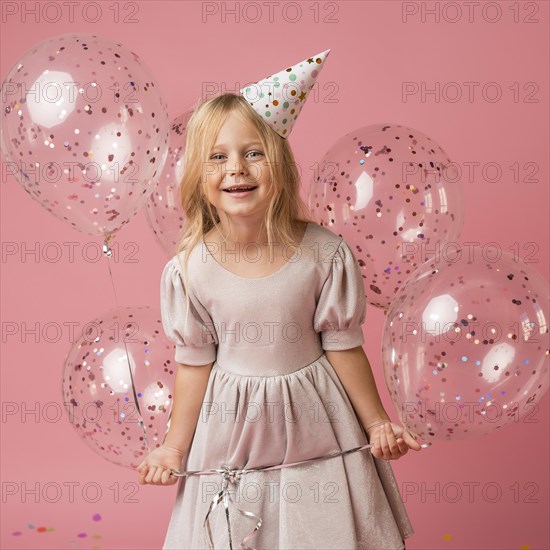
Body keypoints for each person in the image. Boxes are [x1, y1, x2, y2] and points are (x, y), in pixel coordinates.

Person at [137, 51, 423, 550]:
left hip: (317, 422)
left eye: (253, 153)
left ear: (281, 165)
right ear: (198, 178)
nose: (236, 169)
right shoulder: (189, 270)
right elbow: (194, 363)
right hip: (231, 428)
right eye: (218, 157)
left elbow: (342, 344)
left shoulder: (324, 254)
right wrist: (173, 448)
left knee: (321, 527)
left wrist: (377, 423)